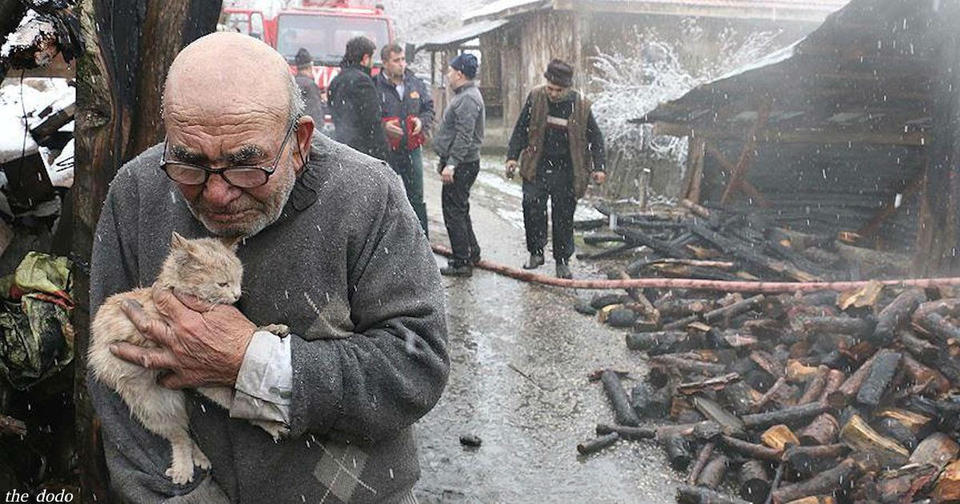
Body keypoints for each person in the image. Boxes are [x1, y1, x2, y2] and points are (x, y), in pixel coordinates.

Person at [87, 32, 448, 503]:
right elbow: (112, 384)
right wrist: (182, 497)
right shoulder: (137, 192)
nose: (216, 194)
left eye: (246, 164)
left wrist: (251, 363)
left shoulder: (368, 195)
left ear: (299, 142)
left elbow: (416, 365)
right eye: (190, 163)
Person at [505, 59, 606, 279]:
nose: (552, 93)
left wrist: (599, 167)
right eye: (550, 88)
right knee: (531, 206)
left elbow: (596, 138)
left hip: (567, 169)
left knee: (563, 216)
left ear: (567, 88)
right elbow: (521, 128)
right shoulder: (536, 97)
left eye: (558, 90)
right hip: (537, 165)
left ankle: (562, 261)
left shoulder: (581, 105)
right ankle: (536, 252)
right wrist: (512, 157)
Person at [432, 53, 484, 277]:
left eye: (451, 71)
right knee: (460, 209)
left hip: (462, 163)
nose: (448, 75)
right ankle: (471, 252)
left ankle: (462, 262)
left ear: (460, 74)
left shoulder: (468, 99)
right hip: (461, 162)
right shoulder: (466, 95)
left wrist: (451, 164)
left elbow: (465, 135)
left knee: (453, 211)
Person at [375, 43, 434, 237]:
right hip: (386, 151)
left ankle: (421, 239)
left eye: (403, 60)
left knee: (416, 196)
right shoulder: (375, 85)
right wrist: (383, 127)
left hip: (412, 148)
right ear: (384, 63)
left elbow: (428, 109)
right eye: (396, 61)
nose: (402, 64)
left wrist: (421, 121)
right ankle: (390, 240)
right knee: (386, 197)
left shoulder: (415, 83)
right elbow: (369, 118)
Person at [327, 35, 388, 160]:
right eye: (372, 58)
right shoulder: (363, 82)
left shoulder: (336, 81)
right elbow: (372, 122)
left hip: (341, 148)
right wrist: (383, 154)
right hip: (362, 152)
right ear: (365, 58)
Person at [293, 47, 326, 126]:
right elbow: (315, 113)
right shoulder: (310, 85)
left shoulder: (292, 82)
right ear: (310, 66)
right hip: (307, 130)